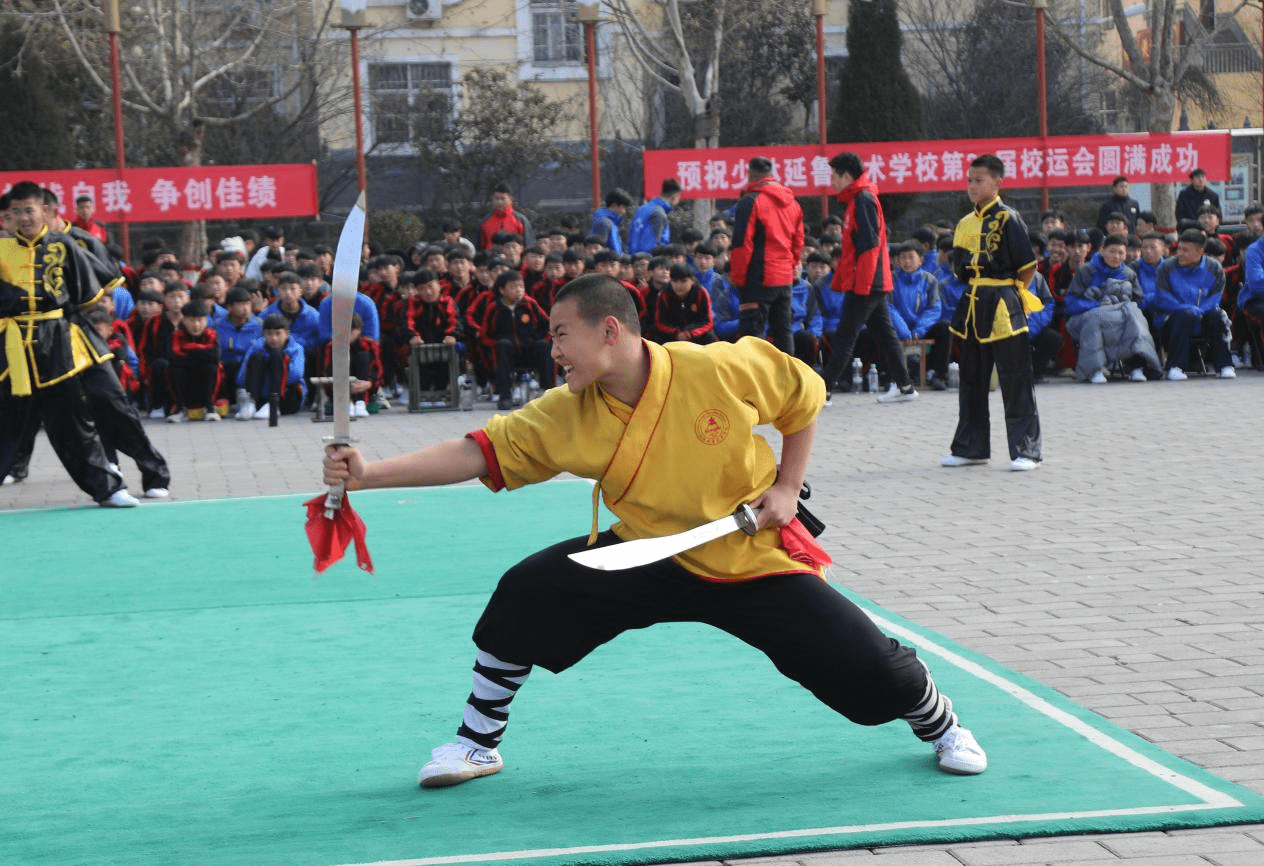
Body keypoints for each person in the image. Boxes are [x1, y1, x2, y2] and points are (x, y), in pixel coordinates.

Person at [322, 273, 988, 790]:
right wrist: (368, 474)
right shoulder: (566, 411)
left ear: (609, 330)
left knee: (867, 667)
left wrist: (786, 487)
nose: (551, 350)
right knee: (528, 591)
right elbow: (476, 453)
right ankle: (476, 741)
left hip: (746, 550)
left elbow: (804, 398)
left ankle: (941, 724)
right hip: (643, 552)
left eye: (560, 334)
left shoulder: (718, 368)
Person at [0, 181, 137, 506]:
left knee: (72, 421)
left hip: (56, 346)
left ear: (45, 211)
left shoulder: (64, 247)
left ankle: (107, 489)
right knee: (4, 421)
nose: (23, 217)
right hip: (12, 349)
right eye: (15, 211)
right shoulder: (1, 250)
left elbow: (87, 298)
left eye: (29, 210)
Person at [942, 154, 1042, 471]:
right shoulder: (963, 223)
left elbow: (1028, 267)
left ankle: (1026, 450)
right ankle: (971, 448)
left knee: (1016, 380)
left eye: (979, 180)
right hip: (972, 303)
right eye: (970, 180)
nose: (972, 186)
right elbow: (958, 268)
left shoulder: (1009, 219)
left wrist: (1011, 292)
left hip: (1003, 303)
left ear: (997, 182)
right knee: (971, 379)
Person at [817, 152, 918, 405]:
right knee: (885, 334)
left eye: (834, 175)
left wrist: (862, 283)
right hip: (870, 280)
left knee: (845, 335)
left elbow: (870, 246)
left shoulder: (863, 199)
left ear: (847, 175)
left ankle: (824, 391)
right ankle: (905, 387)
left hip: (866, 281)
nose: (832, 181)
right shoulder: (858, 199)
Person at [728, 156, 805, 355]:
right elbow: (798, 243)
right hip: (784, 278)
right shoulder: (792, 203)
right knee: (783, 331)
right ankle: (788, 382)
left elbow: (741, 244)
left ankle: (755, 382)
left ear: (750, 174)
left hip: (758, 278)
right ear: (771, 174)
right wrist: (790, 267)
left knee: (752, 334)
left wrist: (738, 277)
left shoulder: (750, 201)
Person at [1064, 235, 1162, 383]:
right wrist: (1098, 305)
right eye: (1112, 251)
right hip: (1088, 315)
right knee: (1095, 319)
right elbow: (1071, 302)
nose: (1116, 257)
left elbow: (1139, 301)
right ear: (1102, 250)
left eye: (1121, 253)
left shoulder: (1128, 273)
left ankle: (1137, 367)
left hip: (1119, 316)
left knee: (1134, 316)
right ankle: (1094, 370)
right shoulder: (1086, 271)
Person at [1154, 228, 1234, 380]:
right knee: (1185, 315)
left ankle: (1225, 365)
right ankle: (1175, 367)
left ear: (1200, 251)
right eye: (1179, 249)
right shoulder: (1166, 267)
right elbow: (1162, 296)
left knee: (1217, 315)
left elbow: (1215, 297)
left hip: (1203, 315)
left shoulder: (1214, 268)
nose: (1180, 253)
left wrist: (1200, 311)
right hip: (1173, 317)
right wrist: (1185, 308)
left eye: (1185, 250)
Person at [479, 270, 551, 410]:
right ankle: (505, 396)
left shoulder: (530, 304)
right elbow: (484, 336)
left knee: (544, 346)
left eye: (521, 287)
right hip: (506, 353)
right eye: (513, 287)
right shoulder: (494, 308)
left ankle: (549, 393)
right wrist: (495, 345)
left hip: (529, 349)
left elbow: (547, 324)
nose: (518, 291)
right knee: (502, 346)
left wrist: (540, 338)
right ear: (502, 290)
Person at [889, 242, 949, 389]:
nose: (907, 261)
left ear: (920, 260)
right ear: (897, 260)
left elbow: (934, 308)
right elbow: (888, 307)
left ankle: (936, 373)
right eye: (903, 257)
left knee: (945, 328)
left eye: (911, 257)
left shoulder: (929, 280)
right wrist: (903, 330)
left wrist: (919, 330)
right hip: (898, 327)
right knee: (882, 329)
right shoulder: (890, 279)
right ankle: (889, 375)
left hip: (921, 327)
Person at [237, 314, 307, 420]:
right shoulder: (257, 347)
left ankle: (273, 405)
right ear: (264, 334)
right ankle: (252, 403)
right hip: (262, 394)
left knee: (277, 357)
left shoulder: (296, 349)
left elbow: (296, 374)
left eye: (278, 334)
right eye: (269, 334)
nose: (274, 338)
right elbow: (242, 376)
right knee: (257, 358)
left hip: (287, 397)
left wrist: (273, 372)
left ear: (287, 334)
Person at [168, 300, 223, 422]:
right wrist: (202, 353)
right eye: (192, 320)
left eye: (200, 320)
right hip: (185, 379)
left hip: (206, 379)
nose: (196, 325)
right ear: (184, 320)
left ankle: (210, 407)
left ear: (206, 320)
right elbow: (175, 357)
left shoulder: (211, 334)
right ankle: (180, 409)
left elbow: (215, 357)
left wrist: (189, 351)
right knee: (174, 369)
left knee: (212, 367)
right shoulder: (177, 335)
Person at [647, 262, 716, 344]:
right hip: (672, 334)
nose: (679, 285)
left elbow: (708, 322)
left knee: (710, 337)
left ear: (692, 281)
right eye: (675, 281)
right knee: (654, 333)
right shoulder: (664, 294)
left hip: (695, 333)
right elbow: (660, 322)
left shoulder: (701, 293)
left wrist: (690, 333)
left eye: (684, 281)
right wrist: (676, 333)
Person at [627, 179, 681, 255]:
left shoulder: (643, 208)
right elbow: (651, 243)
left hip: (634, 256)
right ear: (674, 196)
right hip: (646, 260)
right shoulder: (659, 213)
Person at [479, 184, 535, 251]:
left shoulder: (520, 220)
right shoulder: (485, 221)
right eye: (497, 198)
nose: (499, 202)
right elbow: (480, 247)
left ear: (510, 199)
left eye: (503, 198)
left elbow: (529, 245)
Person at [589, 189, 632, 255]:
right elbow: (599, 249)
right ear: (614, 205)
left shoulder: (612, 223)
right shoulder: (604, 222)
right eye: (623, 207)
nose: (624, 212)